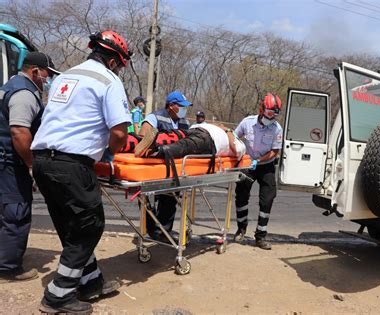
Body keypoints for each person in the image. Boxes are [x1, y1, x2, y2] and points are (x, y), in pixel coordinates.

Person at [31, 30, 132, 314]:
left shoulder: (64, 76)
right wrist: (110, 153)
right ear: (114, 61)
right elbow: (120, 132)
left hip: (42, 161)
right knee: (89, 227)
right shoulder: (108, 80)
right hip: (71, 164)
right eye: (121, 65)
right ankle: (58, 295)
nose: (120, 70)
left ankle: (90, 282)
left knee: (70, 225)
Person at [0, 51, 59, 283]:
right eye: (47, 75)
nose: (49, 79)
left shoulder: (10, 85)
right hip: (9, 163)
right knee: (16, 213)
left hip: (4, 159)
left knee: (5, 212)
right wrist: (32, 165)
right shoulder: (24, 93)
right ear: (35, 71)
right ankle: (7, 269)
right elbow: (19, 131)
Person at [138, 91, 192, 240]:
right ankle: (151, 230)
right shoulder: (155, 117)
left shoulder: (184, 123)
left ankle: (163, 232)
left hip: (174, 169)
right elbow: (142, 138)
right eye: (181, 106)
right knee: (147, 201)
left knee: (170, 200)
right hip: (155, 167)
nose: (184, 109)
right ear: (171, 106)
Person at [233, 93, 283, 250]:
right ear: (262, 109)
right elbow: (234, 137)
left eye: (276, 113)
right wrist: (241, 155)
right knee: (241, 196)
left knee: (267, 199)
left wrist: (259, 160)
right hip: (247, 164)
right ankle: (241, 229)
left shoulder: (277, 129)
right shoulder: (247, 123)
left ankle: (260, 236)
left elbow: (275, 151)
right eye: (270, 113)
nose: (272, 117)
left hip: (265, 165)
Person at [134, 122, 246, 160]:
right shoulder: (231, 135)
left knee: (182, 144)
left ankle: (151, 149)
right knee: (173, 138)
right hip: (199, 131)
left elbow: (236, 151)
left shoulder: (241, 144)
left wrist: (227, 130)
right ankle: (148, 148)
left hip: (209, 139)